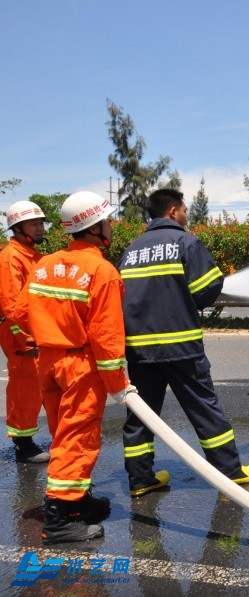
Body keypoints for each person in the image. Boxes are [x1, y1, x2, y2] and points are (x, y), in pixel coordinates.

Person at [13, 191, 139, 544]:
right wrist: (117, 383)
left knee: (62, 433)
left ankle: (77, 501)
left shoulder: (44, 264)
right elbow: (106, 336)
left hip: (49, 362)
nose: (111, 226)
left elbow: (20, 313)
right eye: (107, 221)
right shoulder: (102, 271)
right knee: (77, 439)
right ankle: (59, 518)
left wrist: (46, 336)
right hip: (80, 365)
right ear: (95, 227)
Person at [119, 188, 249, 497]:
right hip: (181, 348)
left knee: (141, 414)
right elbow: (205, 291)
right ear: (172, 211)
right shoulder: (186, 243)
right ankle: (229, 472)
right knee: (204, 410)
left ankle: (140, 479)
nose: (186, 215)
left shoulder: (131, 250)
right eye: (184, 210)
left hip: (140, 351)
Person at [1, 201, 50, 463]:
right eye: (34, 224)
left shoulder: (33, 256)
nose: (40, 228)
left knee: (42, 387)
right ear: (18, 228)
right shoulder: (12, 257)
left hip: (37, 333)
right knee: (25, 388)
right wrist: (28, 340)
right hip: (21, 335)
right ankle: (23, 445)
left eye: (41, 223)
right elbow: (12, 306)